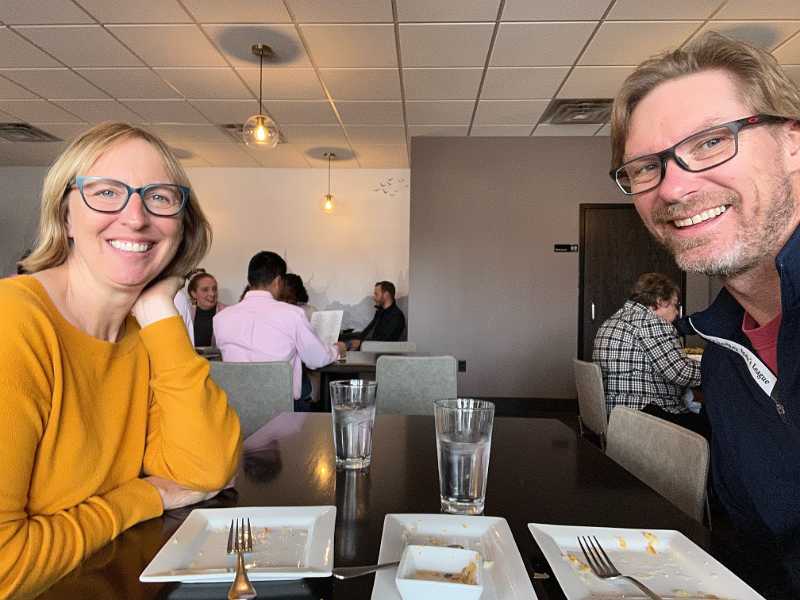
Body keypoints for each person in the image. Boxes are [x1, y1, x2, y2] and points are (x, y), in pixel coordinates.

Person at [0, 122, 242, 598]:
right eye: (107, 192)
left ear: (182, 225)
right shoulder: (13, 324)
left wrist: (157, 312)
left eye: (159, 197)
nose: (135, 217)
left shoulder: (144, 334)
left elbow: (206, 469)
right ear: (65, 215)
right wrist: (145, 495)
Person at [610, 31, 800, 572]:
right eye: (646, 167)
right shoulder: (722, 351)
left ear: (793, 144)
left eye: (711, 142)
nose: (673, 189)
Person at [213, 251, 345, 409]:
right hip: (282, 411)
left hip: (235, 410)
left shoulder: (221, 318)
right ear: (278, 282)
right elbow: (316, 359)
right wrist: (337, 349)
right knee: (304, 385)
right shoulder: (292, 314)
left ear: (250, 280)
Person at [592, 273, 706, 437]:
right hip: (643, 415)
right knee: (713, 429)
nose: (677, 313)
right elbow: (682, 373)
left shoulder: (613, 320)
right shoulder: (650, 323)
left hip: (616, 413)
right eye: (675, 305)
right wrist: (716, 369)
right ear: (660, 301)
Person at [347, 280, 406, 350]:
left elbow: (384, 341)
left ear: (386, 295)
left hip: (379, 354)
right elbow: (364, 333)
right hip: (368, 350)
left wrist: (360, 343)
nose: (374, 298)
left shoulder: (397, 316)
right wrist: (341, 336)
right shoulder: (380, 312)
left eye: (376, 294)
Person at [187, 270, 226, 347]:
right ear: (193, 294)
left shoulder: (227, 312)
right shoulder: (186, 313)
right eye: (205, 290)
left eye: (214, 289)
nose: (212, 294)